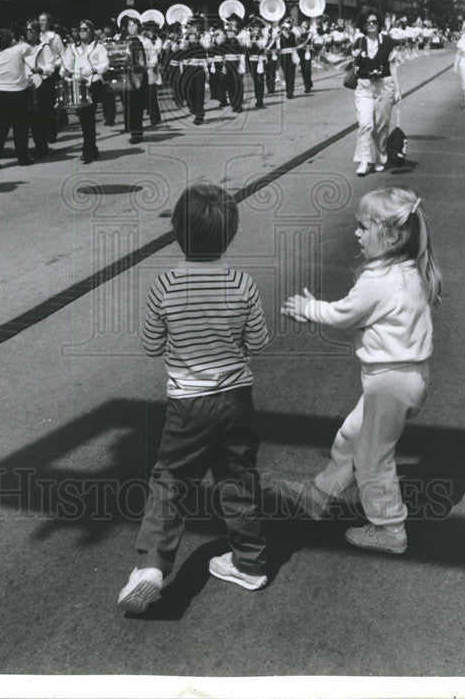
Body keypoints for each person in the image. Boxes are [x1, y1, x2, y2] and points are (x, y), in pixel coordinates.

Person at [118, 183, 269, 613]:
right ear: (231, 235)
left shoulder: (165, 285)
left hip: (188, 402)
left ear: (176, 234)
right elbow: (257, 340)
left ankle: (151, 567)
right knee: (238, 477)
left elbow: (150, 343)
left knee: (171, 481)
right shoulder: (242, 282)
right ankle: (251, 562)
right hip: (236, 397)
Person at [281, 187, 442, 554]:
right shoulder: (406, 270)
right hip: (403, 378)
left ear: (392, 235)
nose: (356, 233)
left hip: (390, 383)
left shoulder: (379, 280)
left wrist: (309, 308)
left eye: (363, 226)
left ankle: (389, 529)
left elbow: (343, 314)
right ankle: (322, 492)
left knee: (373, 458)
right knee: (351, 436)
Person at [350, 6, 402, 177]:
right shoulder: (359, 41)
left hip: (384, 86)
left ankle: (380, 156)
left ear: (379, 23)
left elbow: (393, 65)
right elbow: (353, 65)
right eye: (367, 22)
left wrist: (397, 89)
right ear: (363, 25)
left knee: (381, 125)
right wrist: (355, 58)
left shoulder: (387, 41)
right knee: (365, 124)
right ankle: (364, 161)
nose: (371, 24)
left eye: (374, 21)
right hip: (364, 86)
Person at [62, 19, 108, 163]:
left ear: (91, 31)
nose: (83, 31)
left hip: (93, 83)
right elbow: (67, 65)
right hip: (77, 84)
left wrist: (94, 70)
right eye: (81, 29)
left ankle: (88, 150)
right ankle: (91, 148)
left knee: (88, 117)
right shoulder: (72, 48)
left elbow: (105, 64)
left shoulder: (98, 47)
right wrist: (64, 73)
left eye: (86, 29)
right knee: (84, 118)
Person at [0, 28, 34, 169]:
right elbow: (29, 48)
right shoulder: (18, 50)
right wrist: (18, 42)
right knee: (20, 126)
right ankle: (23, 157)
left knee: (0, 127)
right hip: (17, 91)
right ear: (11, 40)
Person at [25, 19, 59, 157]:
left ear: (38, 32)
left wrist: (41, 69)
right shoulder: (24, 48)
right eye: (27, 30)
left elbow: (50, 67)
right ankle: (39, 145)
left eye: (31, 30)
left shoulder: (44, 47)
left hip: (42, 85)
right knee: (31, 118)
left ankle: (42, 146)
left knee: (40, 117)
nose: (29, 33)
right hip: (28, 85)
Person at [122, 16, 148, 144]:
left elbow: (141, 60)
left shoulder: (138, 41)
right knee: (130, 104)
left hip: (137, 75)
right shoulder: (127, 41)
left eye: (133, 25)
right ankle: (133, 130)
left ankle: (137, 133)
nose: (131, 28)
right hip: (129, 75)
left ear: (139, 27)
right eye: (129, 26)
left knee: (136, 105)